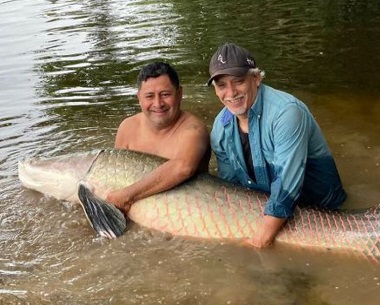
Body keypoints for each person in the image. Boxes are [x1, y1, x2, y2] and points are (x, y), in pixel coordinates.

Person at [207, 42, 347, 249]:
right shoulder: (220, 127)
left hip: (324, 212)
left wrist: (260, 240)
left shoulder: (287, 113)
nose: (231, 92)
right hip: (268, 211)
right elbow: (232, 188)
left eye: (238, 81)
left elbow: (286, 186)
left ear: (256, 79)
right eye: (222, 85)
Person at [106, 61, 210, 214]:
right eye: (149, 96)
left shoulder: (194, 130)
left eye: (165, 95)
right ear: (139, 98)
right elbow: (116, 175)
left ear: (180, 94)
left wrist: (127, 196)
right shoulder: (127, 128)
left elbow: (183, 168)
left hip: (187, 210)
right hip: (142, 207)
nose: (158, 103)